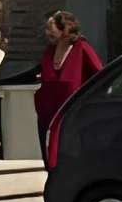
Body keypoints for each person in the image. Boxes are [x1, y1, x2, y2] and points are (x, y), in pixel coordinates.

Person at [34, 10, 102, 163]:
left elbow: (100, 77)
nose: (47, 33)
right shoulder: (49, 50)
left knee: (69, 160)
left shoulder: (82, 48)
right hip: (47, 116)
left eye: (51, 30)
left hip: (71, 117)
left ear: (64, 30)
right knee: (49, 161)